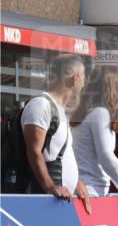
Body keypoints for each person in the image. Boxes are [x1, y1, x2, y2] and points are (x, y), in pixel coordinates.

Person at [20, 54, 91, 210]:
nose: (84, 83)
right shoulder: (41, 105)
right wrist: (50, 187)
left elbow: (59, 153)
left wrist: (76, 181)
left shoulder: (59, 110)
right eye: (84, 77)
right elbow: (33, 152)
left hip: (60, 200)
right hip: (45, 201)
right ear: (76, 77)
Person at [71, 65, 118, 213]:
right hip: (91, 191)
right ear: (112, 85)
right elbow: (106, 157)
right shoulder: (100, 113)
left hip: (87, 188)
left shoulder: (86, 113)